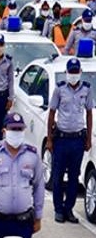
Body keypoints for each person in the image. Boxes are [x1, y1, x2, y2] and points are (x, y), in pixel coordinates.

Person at [47, 57, 93, 223]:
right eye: (71, 72)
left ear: (80, 73)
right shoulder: (59, 90)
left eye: (76, 72)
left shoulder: (86, 90)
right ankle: (58, 209)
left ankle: (69, 209)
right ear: (66, 73)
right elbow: (52, 113)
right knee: (58, 175)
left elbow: (89, 113)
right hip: (61, 139)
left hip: (77, 140)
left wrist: (88, 139)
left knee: (74, 177)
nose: (73, 75)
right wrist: (50, 140)